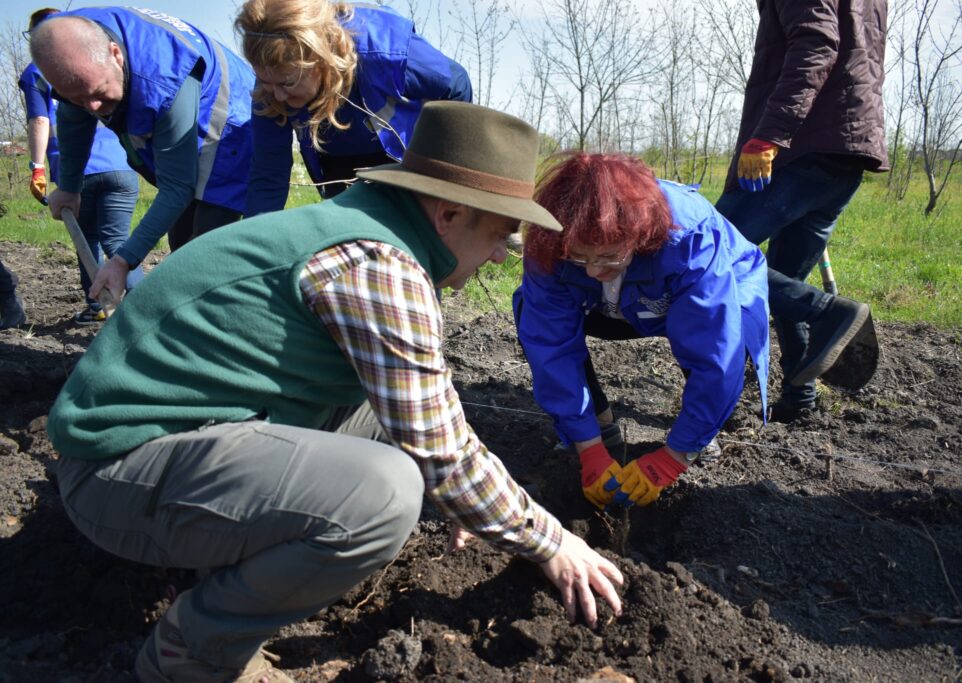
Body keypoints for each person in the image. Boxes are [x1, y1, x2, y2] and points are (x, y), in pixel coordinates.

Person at [48, 102, 623, 683]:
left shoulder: (368, 227)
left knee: (394, 425)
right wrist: (549, 543)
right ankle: (194, 648)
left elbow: (426, 420)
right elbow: (443, 455)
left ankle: (212, 565)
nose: (503, 253)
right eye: (500, 233)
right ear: (448, 213)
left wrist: (473, 497)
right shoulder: (380, 265)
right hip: (115, 470)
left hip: (174, 439)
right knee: (385, 493)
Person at [514, 153, 769, 509]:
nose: (591, 271)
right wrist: (588, 448)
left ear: (636, 235)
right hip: (616, 301)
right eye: (579, 258)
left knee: (715, 337)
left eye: (606, 256)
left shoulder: (690, 240)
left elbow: (715, 354)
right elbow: (550, 345)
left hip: (705, 285)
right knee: (530, 308)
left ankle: (695, 435)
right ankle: (598, 428)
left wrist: (674, 457)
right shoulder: (550, 239)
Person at [714, 0, 888, 423]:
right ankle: (800, 394)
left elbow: (817, 42)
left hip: (801, 147)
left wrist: (770, 135)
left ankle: (830, 315)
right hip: (844, 151)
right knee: (785, 278)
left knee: (707, 254)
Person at [29, 8, 255, 304]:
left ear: (115, 54)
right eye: (77, 98)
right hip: (180, 112)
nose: (92, 106)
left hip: (230, 125)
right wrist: (70, 187)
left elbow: (178, 187)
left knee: (203, 248)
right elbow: (74, 121)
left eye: (97, 92)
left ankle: (217, 329)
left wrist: (123, 261)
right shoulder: (69, 50)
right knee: (181, 243)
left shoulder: (161, 76)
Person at [236, 0, 472, 216]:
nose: (278, 94)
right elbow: (268, 177)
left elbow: (457, 83)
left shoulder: (384, 54)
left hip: (400, 155)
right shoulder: (271, 85)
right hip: (335, 162)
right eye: (266, 83)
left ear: (319, 58)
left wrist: (440, 174)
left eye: (288, 83)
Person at [20, 7, 142, 325]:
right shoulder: (97, 57)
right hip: (121, 165)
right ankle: (145, 307)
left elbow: (40, 119)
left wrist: (37, 167)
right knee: (118, 240)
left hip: (80, 171)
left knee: (87, 239)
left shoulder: (38, 71)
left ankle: (99, 307)